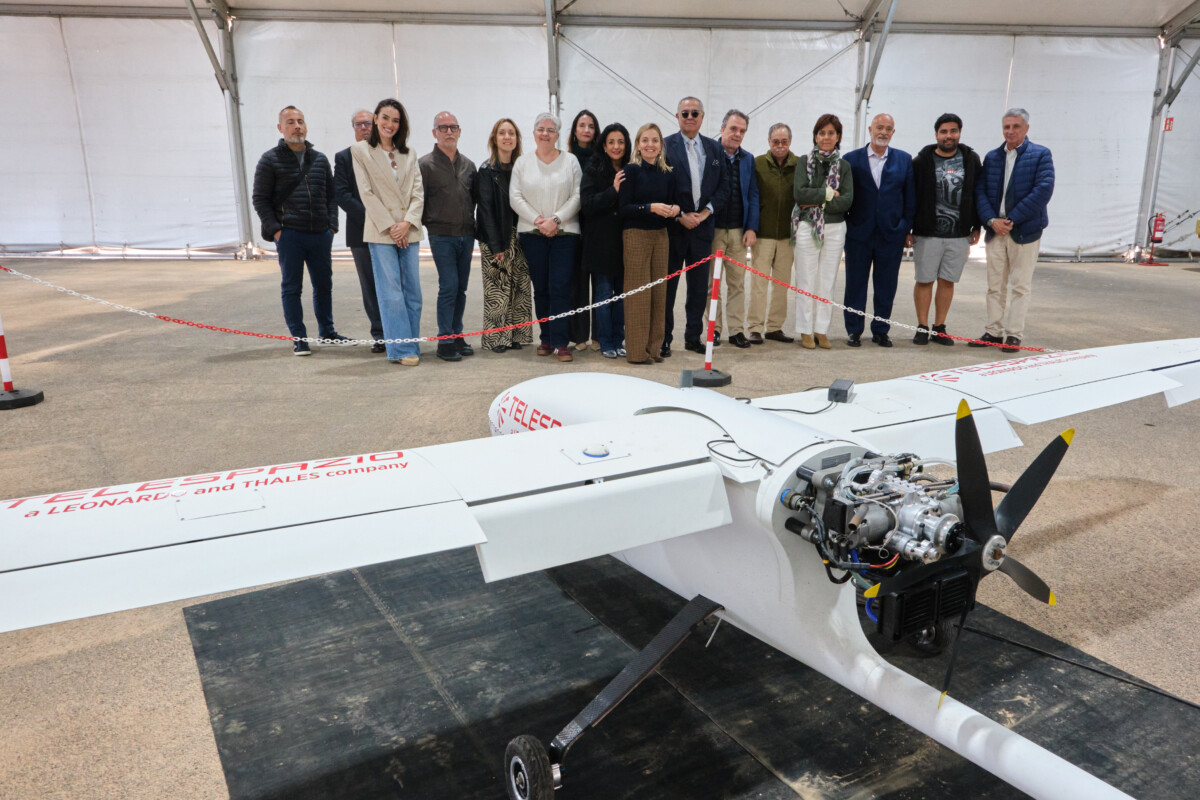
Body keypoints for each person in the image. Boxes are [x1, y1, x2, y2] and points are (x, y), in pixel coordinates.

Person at [251, 105, 350, 356]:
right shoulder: (269, 159)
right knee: (292, 288)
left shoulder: (320, 159)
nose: (297, 126)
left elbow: (331, 195)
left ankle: (327, 332)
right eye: (291, 122)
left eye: (301, 121)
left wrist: (331, 226)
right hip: (290, 235)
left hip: (320, 234)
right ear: (280, 128)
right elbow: (260, 199)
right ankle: (299, 338)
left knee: (324, 285)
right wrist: (276, 231)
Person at [972, 108, 1055, 353]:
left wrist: (1012, 219)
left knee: (1020, 286)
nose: (1010, 131)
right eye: (1006, 127)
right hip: (995, 231)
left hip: (1024, 232)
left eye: (1016, 126)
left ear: (1026, 128)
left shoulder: (1041, 155)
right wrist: (991, 220)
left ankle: (1013, 334)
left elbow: (1043, 190)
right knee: (994, 286)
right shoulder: (992, 157)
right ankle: (993, 331)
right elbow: (980, 191)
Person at [350, 99, 424, 366]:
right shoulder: (360, 151)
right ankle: (401, 349)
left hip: (409, 230)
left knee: (413, 292)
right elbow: (366, 193)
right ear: (375, 119)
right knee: (391, 292)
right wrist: (392, 226)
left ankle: (412, 344)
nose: (389, 124)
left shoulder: (410, 153)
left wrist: (407, 223)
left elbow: (418, 192)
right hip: (382, 231)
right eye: (385, 118)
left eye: (395, 120)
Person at [509, 112, 582, 363]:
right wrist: (539, 220)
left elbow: (577, 195)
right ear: (534, 133)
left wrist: (556, 220)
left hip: (565, 233)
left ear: (558, 135)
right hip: (533, 233)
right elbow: (515, 196)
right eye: (541, 129)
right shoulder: (523, 163)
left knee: (560, 287)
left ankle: (561, 342)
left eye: (551, 130)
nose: (545, 134)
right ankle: (546, 338)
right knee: (541, 288)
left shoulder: (570, 161)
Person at [841, 113, 915, 348]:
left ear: (893, 132)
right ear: (870, 129)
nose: (883, 132)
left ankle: (881, 330)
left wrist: (904, 227)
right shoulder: (850, 159)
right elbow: (843, 195)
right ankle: (854, 330)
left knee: (886, 285)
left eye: (888, 128)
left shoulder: (904, 160)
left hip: (891, 234)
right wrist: (848, 225)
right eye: (879, 127)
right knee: (855, 284)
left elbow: (910, 198)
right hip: (858, 234)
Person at [908, 113, 982, 346]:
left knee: (947, 281)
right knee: (924, 280)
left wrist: (977, 225)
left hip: (959, 234)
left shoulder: (971, 160)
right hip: (927, 232)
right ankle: (922, 326)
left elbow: (978, 193)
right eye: (944, 132)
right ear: (936, 134)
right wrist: (908, 229)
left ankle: (939, 327)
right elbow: (911, 197)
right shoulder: (921, 162)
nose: (948, 136)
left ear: (959, 133)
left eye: (953, 131)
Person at [664, 96, 729, 356]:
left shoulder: (715, 149)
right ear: (677, 116)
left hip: (702, 229)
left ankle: (693, 337)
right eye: (685, 113)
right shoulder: (665, 146)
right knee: (669, 288)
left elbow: (724, 186)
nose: (689, 117)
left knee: (699, 288)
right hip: (674, 228)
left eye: (694, 113)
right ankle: (664, 339)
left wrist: (705, 213)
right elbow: (660, 186)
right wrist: (679, 215)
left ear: (702, 117)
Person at [419, 111, 477, 362]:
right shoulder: (425, 165)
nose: (449, 132)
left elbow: (474, 199)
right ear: (435, 133)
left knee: (461, 288)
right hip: (441, 236)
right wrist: (430, 224)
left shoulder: (469, 166)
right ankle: (444, 340)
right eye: (443, 128)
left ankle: (456, 334)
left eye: (453, 127)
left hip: (466, 235)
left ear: (460, 131)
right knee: (449, 286)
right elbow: (419, 201)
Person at [793, 114, 854, 350]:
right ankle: (805, 329)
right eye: (821, 133)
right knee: (805, 279)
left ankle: (821, 329)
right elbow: (800, 194)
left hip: (836, 228)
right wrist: (829, 194)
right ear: (815, 136)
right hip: (808, 225)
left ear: (838, 136)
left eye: (830, 133)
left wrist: (817, 199)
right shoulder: (804, 162)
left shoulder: (844, 166)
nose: (826, 137)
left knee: (827, 280)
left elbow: (847, 201)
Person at [620, 123, 679, 364]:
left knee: (659, 294)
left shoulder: (668, 173)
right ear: (638, 144)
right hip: (636, 235)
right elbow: (624, 208)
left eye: (655, 140)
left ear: (661, 145)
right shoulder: (631, 171)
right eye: (645, 140)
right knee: (638, 296)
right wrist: (650, 208)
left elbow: (675, 202)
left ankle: (654, 349)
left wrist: (675, 209)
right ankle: (636, 352)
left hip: (661, 236)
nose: (650, 145)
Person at [474, 118, 533, 354]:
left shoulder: (523, 168)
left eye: (511, 133)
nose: (507, 137)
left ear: (517, 139)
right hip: (497, 236)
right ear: (494, 139)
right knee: (497, 289)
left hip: (521, 235)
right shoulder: (487, 170)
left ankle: (517, 335)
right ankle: (497, 338)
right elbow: (485, 210)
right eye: (502, 133)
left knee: (520, 287)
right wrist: (496, 244)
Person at [334, 109, 385, 354]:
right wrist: (374, 216)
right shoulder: (344, 157)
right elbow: (341, 194)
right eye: (358, 124)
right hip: (361, 231)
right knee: (370, 285)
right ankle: (380, 334)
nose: (364, 128)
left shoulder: (388, 154)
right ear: (353, 128)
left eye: (368, 123)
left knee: (392, 284)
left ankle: (398, 331)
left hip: (390, 231)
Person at [580, 122, 631, 359]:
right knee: (603, 295)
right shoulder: (593, 170)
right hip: (600, 243)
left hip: (625, 242)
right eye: (611, 142)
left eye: (620, 142)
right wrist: (613, 190)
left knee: (621, 296)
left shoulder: (631, 169)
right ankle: (605, 341)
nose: (616, 146)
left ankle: (618, 339)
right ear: (604, 145)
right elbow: (587, 205)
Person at [712, 110, 759, 349]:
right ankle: (714, 329)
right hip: (713, 230)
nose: (737, 134)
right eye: (733, 129)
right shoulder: (710, 152)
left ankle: (736, 331)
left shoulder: (748, 159)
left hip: (739, 231)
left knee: (737, 284)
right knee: (711, 285)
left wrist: (751, 227)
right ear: (722, 129)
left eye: (742, 131)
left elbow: (753, 194)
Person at [750, 123, 798, 344]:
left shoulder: (799, 164)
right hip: (763, 235)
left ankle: (774, 327)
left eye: (784, 141)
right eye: (776, 141)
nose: (780, 145)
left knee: (782, 284)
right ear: (769, 142)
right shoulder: (758, 163)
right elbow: (751, 196)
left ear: (790, 142)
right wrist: (751, 227)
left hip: (788, 236)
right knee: (759, 284)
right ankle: (755, 327)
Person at [568, 109, 602, 351]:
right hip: (573, 227)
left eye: (591, 126)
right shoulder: (566, 158)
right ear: (574, 130)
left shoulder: (602, 158)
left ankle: (599, 335)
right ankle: (579, 336)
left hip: (597, 228)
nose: (586, 130)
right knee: (577, 285)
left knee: (600, 284)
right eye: (582, 125)